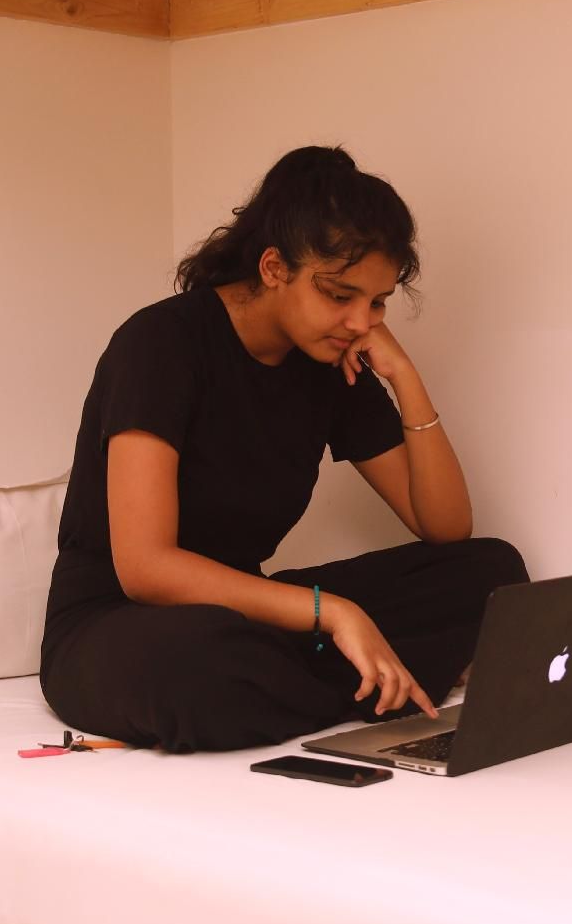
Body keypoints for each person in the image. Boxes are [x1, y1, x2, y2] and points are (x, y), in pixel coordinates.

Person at [40, 145, 528, 752]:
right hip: (116, 624)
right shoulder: (160, 343)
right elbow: (146, 569)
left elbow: (446, 527)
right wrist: (335, 613)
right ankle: (364, 688)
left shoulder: (330, 359)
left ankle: (309, 688)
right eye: (340, 295)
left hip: (249, 619)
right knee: (201, 662)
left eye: (377, 302)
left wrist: (405, 376)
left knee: (492, 572)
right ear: (273, 268)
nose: (361, 322)